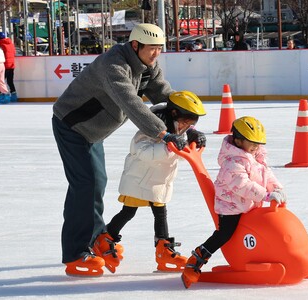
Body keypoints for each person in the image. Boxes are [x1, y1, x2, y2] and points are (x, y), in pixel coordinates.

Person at [52, 23, 205, 277]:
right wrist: (164, 133)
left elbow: (166, 98)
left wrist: (188, 126)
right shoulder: (113, 66)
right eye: (151, 49)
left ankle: (96, 241)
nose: (156, 54)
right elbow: (131, 103)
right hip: (72, 126)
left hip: (93, 132)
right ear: (135, 46)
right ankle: (76, 253)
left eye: (159, 49)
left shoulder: (148, 66)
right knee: (85, 185)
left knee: (96, 183)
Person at [98, 91, 206, 273]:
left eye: (193, 122)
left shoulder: (179, 127)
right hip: (140, 179)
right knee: (128, 212)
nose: (189, 125)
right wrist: (167, 145)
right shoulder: (151, 126)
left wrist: (191, 141)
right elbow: (140, 150)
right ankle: (105, 239)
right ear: (174, 113)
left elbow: (178, 154)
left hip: (158, 181)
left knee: (161, 213)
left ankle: (163, 249)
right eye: (187, 120)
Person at [181, 116, 287, 289]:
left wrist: (277, 188)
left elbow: (267, 175)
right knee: (225, 234)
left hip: (250, 204)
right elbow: (242, 185)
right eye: (252, 143)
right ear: (238, 140)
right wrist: (266, 196)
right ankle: (198, 258)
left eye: (258, 143)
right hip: (231, 205)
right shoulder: (232, 162)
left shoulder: (255, 156)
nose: (256, 147)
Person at [0, 32, 18, 102]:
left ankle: (2, 96)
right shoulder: (11, 44)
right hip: (11, 65)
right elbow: (14, 53)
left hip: (4, 65)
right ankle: (14, 95)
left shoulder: (0, 44)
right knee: (10, 81)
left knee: (1, 81)